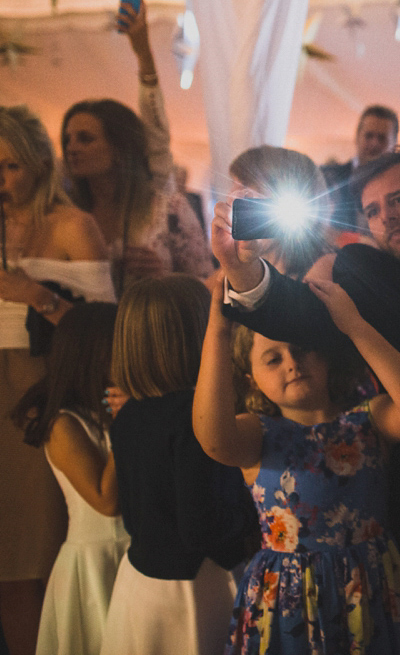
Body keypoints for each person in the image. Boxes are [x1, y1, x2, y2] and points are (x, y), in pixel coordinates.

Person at [215, 149, 400, 655]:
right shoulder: (362, 275)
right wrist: (243, 276)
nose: (385, 217)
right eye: (372, 211)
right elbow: (297, 318)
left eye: (397, 200)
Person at [194, 280, 400, 654]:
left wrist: (354, 326)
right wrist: (219, 331)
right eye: (272, 358)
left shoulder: (367, 420)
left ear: (325, 355)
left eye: (302, 349)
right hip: (288, 602)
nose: (292, 363)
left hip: (369, 592)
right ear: (250, 378)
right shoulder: (256, 434)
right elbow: (212, 437)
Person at [0, 105, 115, 655]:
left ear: (39, 163)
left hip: (42, 391)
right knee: (7, 563)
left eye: (10, 167)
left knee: (39, 544)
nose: (0, 181)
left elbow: (104, 334)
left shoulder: (73, 225)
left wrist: (37, 296)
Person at [100, 275, 256, 655]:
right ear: (198, 334)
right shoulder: (197, 417)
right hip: (197, 588)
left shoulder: (129, 414)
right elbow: (199, 526)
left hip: (140, 583)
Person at [60, 0, 212, 291]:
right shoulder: (68, 209)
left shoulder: (165, 207)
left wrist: (163, 278)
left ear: (119, 147)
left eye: (86, 139)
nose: (72, 148)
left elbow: (206, 283)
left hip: (153, 331)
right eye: (67, 139)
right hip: (84, 334)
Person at [9, 303, 125, 655]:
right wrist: (128, 425)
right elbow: (105, 501)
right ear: (93, 351)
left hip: (134, 552)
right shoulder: (64, 424)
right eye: (119, 343)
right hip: (95, 561)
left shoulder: (110, 408)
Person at [228, 145, 336, 279]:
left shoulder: (325, 269)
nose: (232, 197)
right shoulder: (233, 272)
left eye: (246, 187)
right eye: (233, 185)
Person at [321, 104, 399, 235]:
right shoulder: (328, 177)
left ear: (394, 143)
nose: (374, 143)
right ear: (357, 136)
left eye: (382, 138)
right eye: (369, 136)